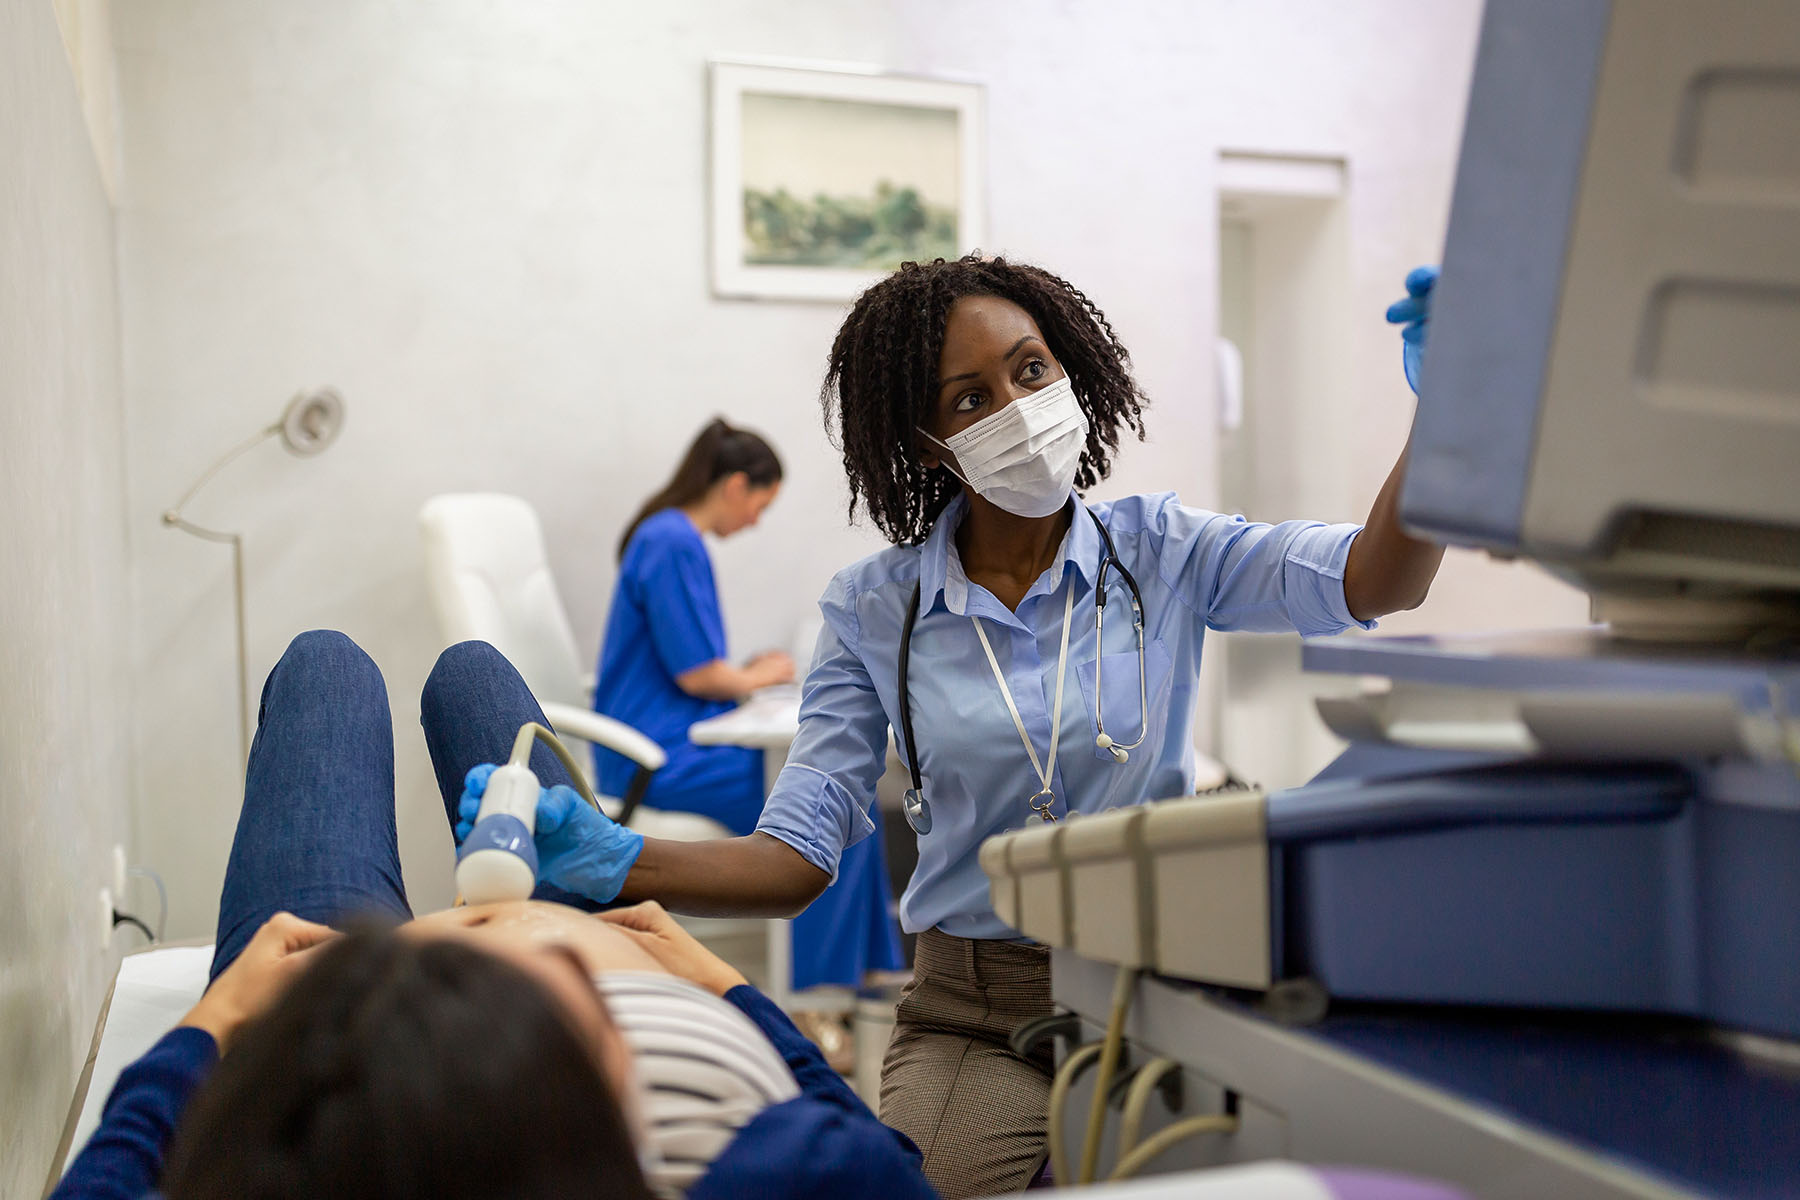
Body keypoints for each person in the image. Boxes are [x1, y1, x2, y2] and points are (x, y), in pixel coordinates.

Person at [466, 255, 1448, 1197]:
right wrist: (614, 858)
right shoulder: (874, 611)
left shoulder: (1164, 551)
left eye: (1031, 371)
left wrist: (1449, 411)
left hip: (1174, 985)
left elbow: (1376, 578)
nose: (1018, 410)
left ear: (1071, 370)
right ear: (933, 444)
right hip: (980, 1013)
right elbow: (798, 856)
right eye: (971, 399)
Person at [51, 630, 935, 1200]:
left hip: (328, 1012)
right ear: (607, 1074)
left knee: (328, 666)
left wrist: (219, 1016)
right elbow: (885, 1164)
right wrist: (724, 987)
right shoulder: (783, 1176)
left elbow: (105, 1174)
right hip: (548, 964)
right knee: (468, 671)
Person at [597, 418, 904, 1001]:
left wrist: (743, 675)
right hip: (659, 758)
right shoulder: (673, 539)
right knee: (827, 804)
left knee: (844, 791)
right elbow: (698, 673)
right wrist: (755, 675)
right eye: (760, 504)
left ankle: (856, 977)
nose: (755, 520)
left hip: (674, 740)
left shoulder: (668, 536)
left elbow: (688, 666)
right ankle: (821, 995)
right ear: (736, 485)